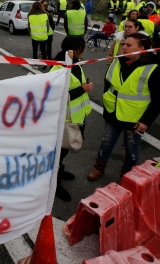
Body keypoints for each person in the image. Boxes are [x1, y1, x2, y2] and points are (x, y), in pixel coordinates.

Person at [88, 33, 160, 180]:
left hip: (134, 118)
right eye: (124, 44)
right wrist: (106, 99)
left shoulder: (153, 69)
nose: (124, 48)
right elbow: (108, 82)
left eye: (129, 45)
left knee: (131, 148)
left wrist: (146, 121)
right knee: (107, 142)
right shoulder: (118, 61)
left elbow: (158, 100)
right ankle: (99, 167)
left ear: (141, 48)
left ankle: (127, 174)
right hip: (113, 111)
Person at [49, 36, 93, 200]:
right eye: (82, 48)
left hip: (76, 118)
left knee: (63, 152)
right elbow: (54, 95)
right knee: (59, 153)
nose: (85, 51)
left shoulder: (74, 63)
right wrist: (82, 89)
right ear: (74, 50)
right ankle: (55, 184)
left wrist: (83, 88)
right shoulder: (60, 67)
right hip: (64, 121)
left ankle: (60, 170)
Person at [28, 1, 50, 68]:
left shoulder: (30, 15)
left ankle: (35, 64)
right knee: (43, 51)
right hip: (43, 36)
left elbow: (29, 27)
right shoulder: (45, 15)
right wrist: (47, 33)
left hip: (34, 36)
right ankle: (44, 64)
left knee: (35, 51)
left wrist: (30, 33)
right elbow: (47, 26)